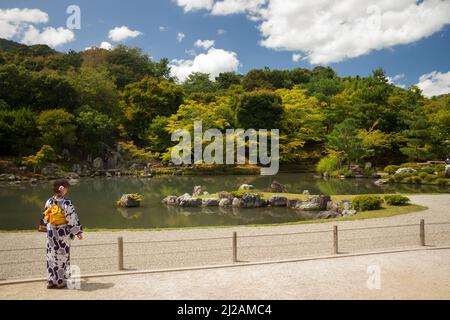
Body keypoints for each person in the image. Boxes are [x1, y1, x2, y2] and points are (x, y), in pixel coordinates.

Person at [42, 179, 83, 289]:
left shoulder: (49, 201)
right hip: (62, 233)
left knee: (51, 255)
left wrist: (48, 227)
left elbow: (45, 218)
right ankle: (60, 281)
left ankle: (51, 280)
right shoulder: (66, 203)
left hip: (51, 232)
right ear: (63, 189)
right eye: (67, 188)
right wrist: (78, 232)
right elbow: (71, 219)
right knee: (62, 256)